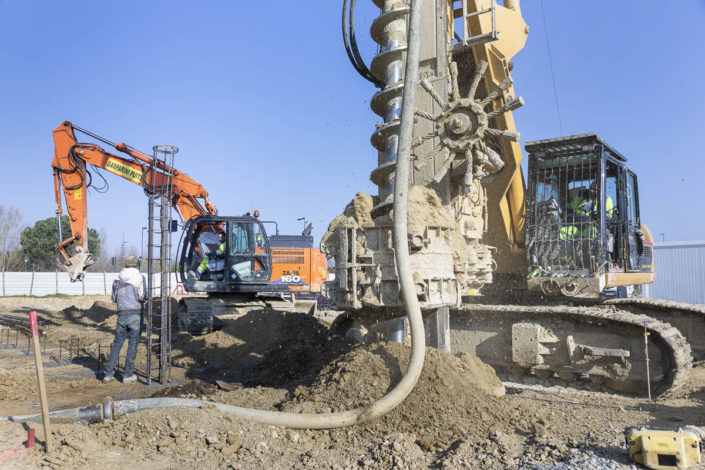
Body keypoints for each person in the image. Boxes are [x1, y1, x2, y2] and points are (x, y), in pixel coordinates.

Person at [103, 256, 147, 383]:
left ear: (126, 265)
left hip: (122, 315)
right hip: (135, 315)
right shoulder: (140, 277)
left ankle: (108, 374)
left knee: (117, 344)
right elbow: (143, 296)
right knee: (132, 345)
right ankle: (127, 375)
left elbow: (113, 299)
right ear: (137, 265)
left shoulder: (117, 278)